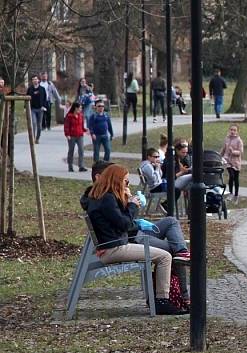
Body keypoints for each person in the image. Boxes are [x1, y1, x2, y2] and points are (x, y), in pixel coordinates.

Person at [83, 164, 184, 315]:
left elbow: (120, 222)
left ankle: (165, 297)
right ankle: (161, 301)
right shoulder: (107, 199)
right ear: (116, 180)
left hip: (112, 245)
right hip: (115, 248)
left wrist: (127, 201)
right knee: (165, 256)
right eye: (126, 181)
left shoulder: (100, 197)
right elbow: (125, 224)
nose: (127, 184)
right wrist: (132, 205)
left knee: (166, 252)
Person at [220, 124, 243, 203]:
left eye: (234, 130)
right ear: (229, 130)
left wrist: (233, 151)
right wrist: (219, 156)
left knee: (236, 178)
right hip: (228, 161)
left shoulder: (239, 140)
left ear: (237, 131)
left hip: (236, 162)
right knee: (231, 176)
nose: (232, 131)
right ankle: (230, 193)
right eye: (231, 130)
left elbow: (240, 152)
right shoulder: (227, 139)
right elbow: (223, 149)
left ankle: (236, 195)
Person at [63, 102, 87, 172]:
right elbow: (66, 126)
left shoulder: (81, 115)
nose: (81, 109)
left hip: (80, 135)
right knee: (71, 151)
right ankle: (70, 166)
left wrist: (85, 130)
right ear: (76, 108)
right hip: (72, 136)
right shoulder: (69, 116)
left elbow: (82, 126)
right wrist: (67, 134)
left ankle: (81, 166)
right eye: (80, 108)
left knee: (81, 150)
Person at [26, 75, 47, 143]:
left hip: (40, 109)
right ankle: (33, 138)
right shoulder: (30, 89)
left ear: (38, 80)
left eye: (36, 79)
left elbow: (45, 99)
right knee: (34, 123)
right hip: (32, 109)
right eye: (33, 79)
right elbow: (26, 99)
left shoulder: (42, 89)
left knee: (39, 125)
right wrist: (25, 107)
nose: (35, 80)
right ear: (32, 81)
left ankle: (37, 138)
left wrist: (44, 106)